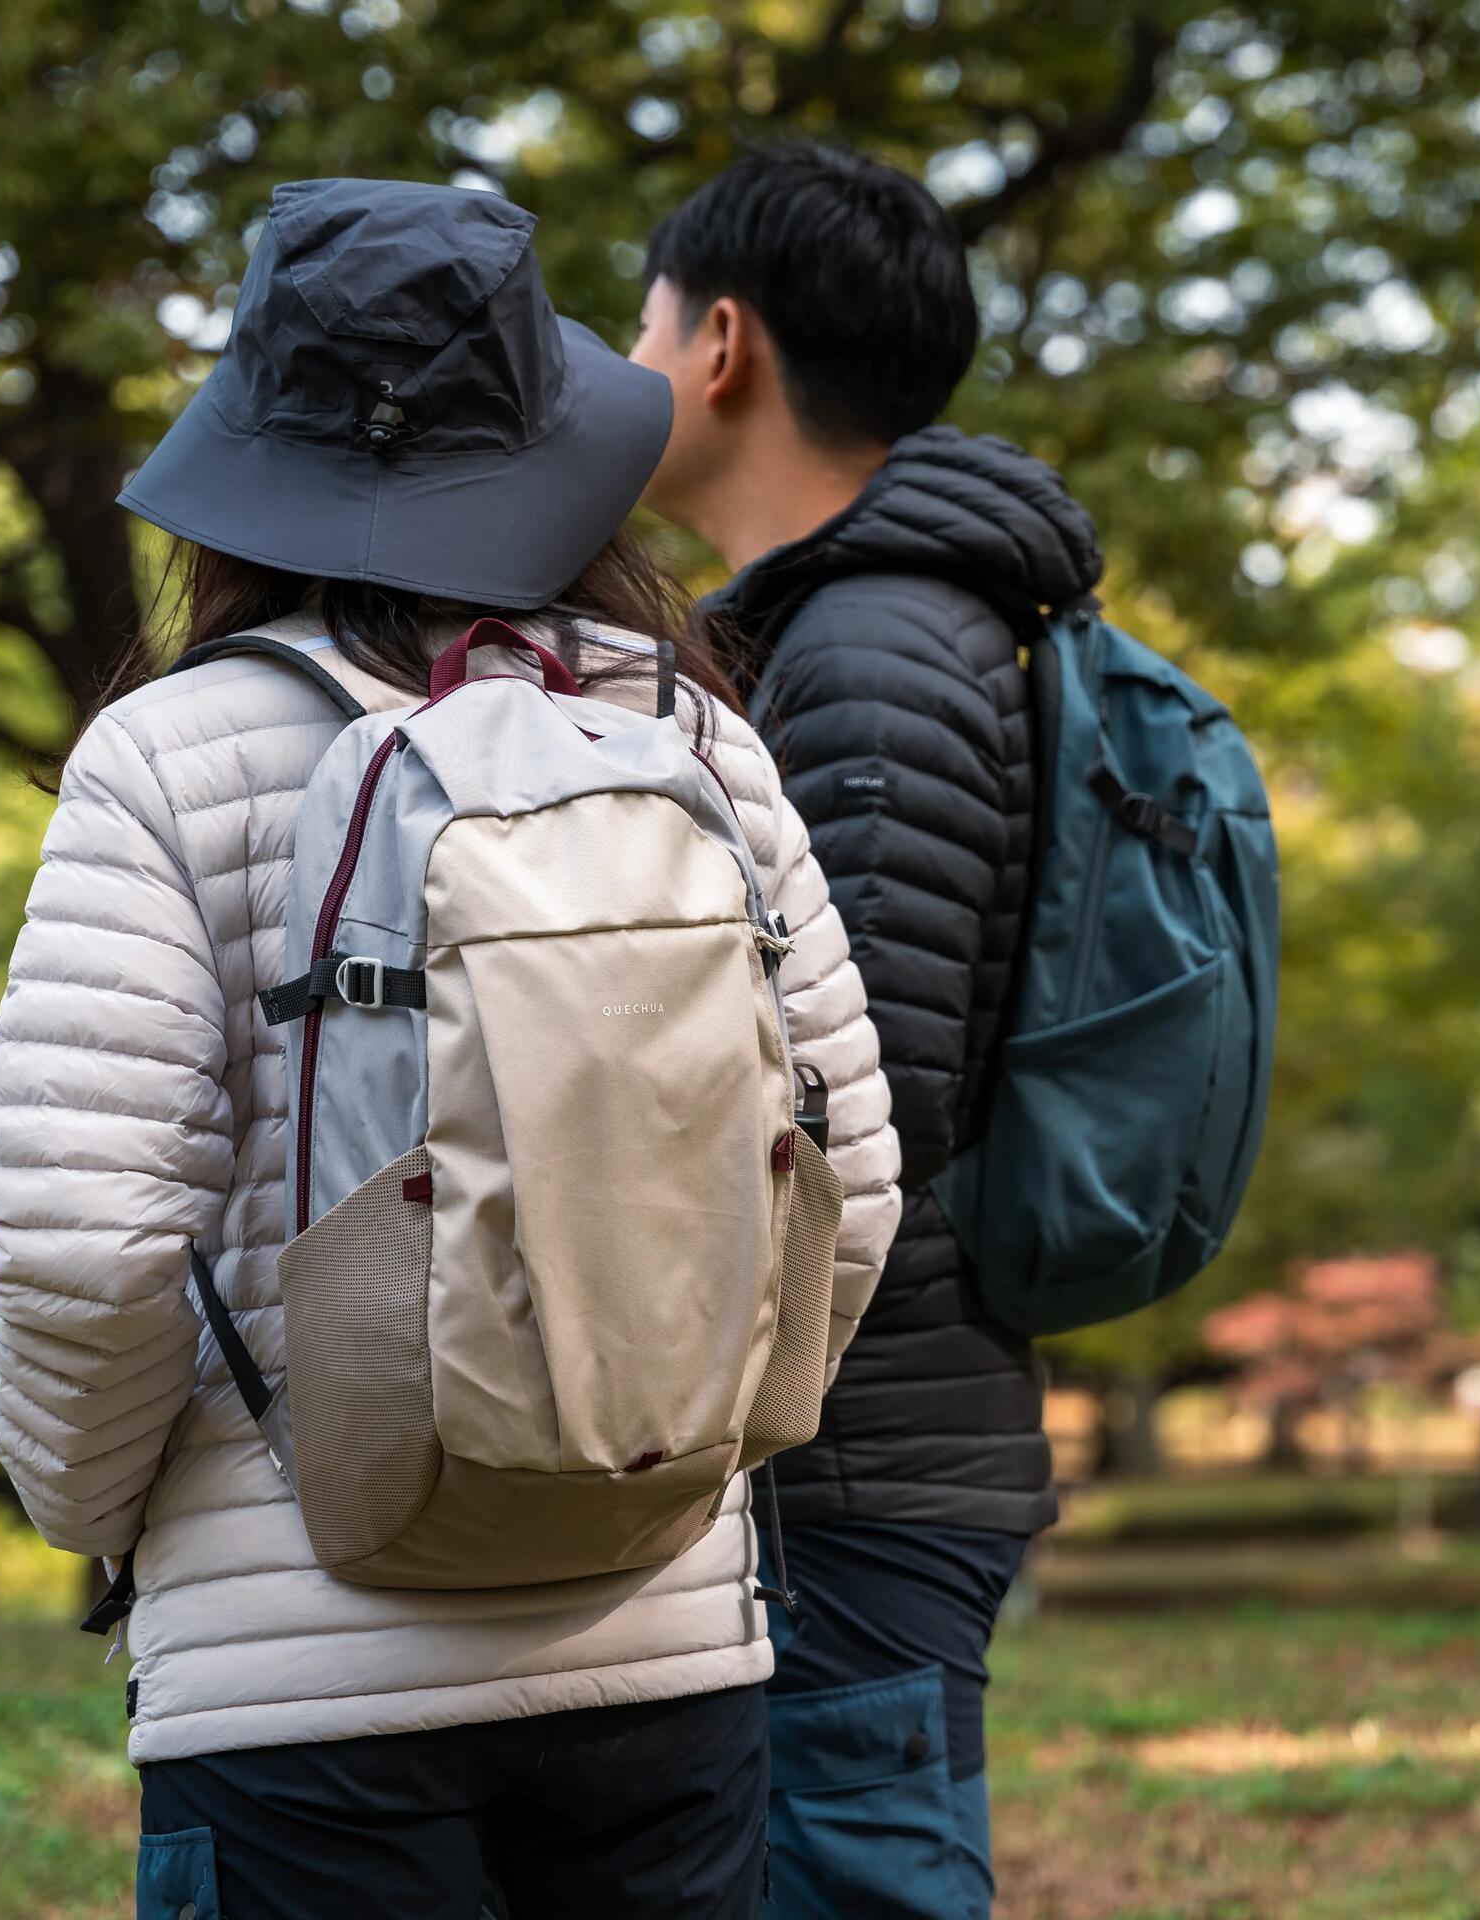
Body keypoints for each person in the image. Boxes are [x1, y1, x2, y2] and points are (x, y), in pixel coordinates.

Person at [0, 178, 901, 1920]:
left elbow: (91, 1249)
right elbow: (839, 1188)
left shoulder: (160, 761)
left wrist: (117, 1516)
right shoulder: (688, 736)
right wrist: (676, 1446)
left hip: (295, 1696)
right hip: (667, 1659)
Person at [631, 143, 1105, 1917]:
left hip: (861, 1452)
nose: (632, 362)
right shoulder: (865, 627)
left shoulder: (875, 646)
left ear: (723, 344)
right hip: (877, 1434)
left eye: (644, 323)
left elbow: (844, 1099)